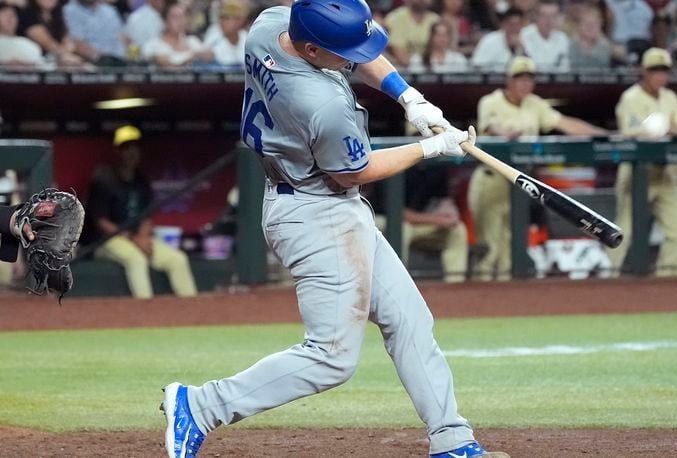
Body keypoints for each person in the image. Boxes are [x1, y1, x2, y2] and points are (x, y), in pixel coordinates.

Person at [160, 1, 507, 458]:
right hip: (315, 215)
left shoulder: (269, 25)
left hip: (318, 201)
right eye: (341, 50)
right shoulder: (319, 103)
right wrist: (431, 147)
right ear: (309, 48)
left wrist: (408, 96)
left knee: (409, 320)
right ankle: (201, 405)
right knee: (332, 357)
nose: (353, 57)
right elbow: (354, 172)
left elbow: (351, 47)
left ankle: (452, 440)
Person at [469, 56, 606, 281]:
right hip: (491, 180)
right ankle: (475, 305)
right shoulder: (490, 101)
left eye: (529, 78)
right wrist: (505, 134)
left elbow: (565, 123)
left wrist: (605, 134)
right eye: (519, 78)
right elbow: (492, 127)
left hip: (518, 183)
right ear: (509, 80)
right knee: (489, 250)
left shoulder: (535, 104)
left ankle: (502, 307)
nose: (524, 83)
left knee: (512, 253)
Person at [606, 47, 677, 278]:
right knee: (621, 231)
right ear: (644, 72)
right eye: (655, 70)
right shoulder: (631, 98)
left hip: (662, 172)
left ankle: (669, 279)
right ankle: (608, 277)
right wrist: (660, 129)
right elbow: (629, 133)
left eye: (664, 71)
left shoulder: (670, 97)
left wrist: (664, 127)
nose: (660, 75)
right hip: (636, 172)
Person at [84, 125, 198, 300]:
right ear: (117, 151)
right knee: (137, 259)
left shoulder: (141, 181)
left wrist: (143, 237)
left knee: (178, 259)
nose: (131, 152)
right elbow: (102, 222)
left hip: (138, 239)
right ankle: (146, 314)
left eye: (135, 147)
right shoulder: (104, 179)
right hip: (107, 241)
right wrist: (134, 239)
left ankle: (193, 311)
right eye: (126, 148)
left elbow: (146, 216)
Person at [141, 1, 214, 68]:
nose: (180, 21)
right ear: (165, 21)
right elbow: (167, 65)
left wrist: (207, 55)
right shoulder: (153, 45)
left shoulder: (193, 41)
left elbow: (209, 55)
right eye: (175, 17)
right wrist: (191, 57)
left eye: (183, 16)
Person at [18, 0, 86, 67]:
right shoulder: (27, 14)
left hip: (55, 63)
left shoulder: (58, 15)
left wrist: (67, 49)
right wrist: (64, 54)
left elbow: (68, 43)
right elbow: (48, 44)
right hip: (30, 65)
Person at [63, 0, 128, 65]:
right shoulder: (69, 10)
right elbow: (76, 43)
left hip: (122, 62)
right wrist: (102, 59)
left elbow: (123, 37)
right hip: (93, 65)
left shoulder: (110, 10)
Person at [384, 0, 439, 67]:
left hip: (432, 69)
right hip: (402, 70)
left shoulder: (435, 19)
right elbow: (399, 54)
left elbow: (440, 53)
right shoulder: (395, 18)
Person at [520, 0, 570, 73]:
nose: (548, 20)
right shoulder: (524, 35)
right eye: (544, 15)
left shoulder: (562, 38)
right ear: (536, 16)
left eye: (553, 16)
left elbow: (565, 68)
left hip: (556, 82)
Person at [470, 7, 526, 72]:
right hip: (491, 80)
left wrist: (520, 49)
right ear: (504, 24)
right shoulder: (490, 41)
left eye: (518, 25)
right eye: (511, 25)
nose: (515, 28)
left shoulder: (524, 41)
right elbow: (477, 67)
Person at [0, 1, 47, 68]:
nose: (10, 18)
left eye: (13, 14)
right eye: (4, 15)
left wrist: (30, 66)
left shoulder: (30, 45)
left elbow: (45, 68)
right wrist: (4, 65)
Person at [568, 6, 613, 72]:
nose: (590, 27)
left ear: (600, 25)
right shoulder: (570, 45)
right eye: (587, 24)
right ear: (579, 25)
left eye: (594, 24)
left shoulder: (605, 45)